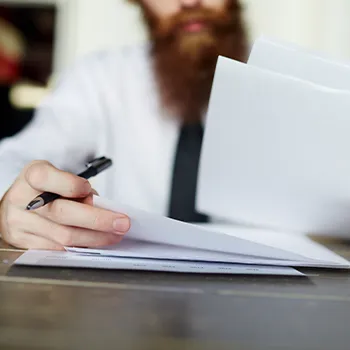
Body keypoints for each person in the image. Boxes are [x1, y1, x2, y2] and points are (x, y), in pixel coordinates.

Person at [0, 0, 248, 250]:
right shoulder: (98, 79)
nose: (189, 2)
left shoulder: (285, 78)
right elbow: (16, 156)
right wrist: (10, 198)